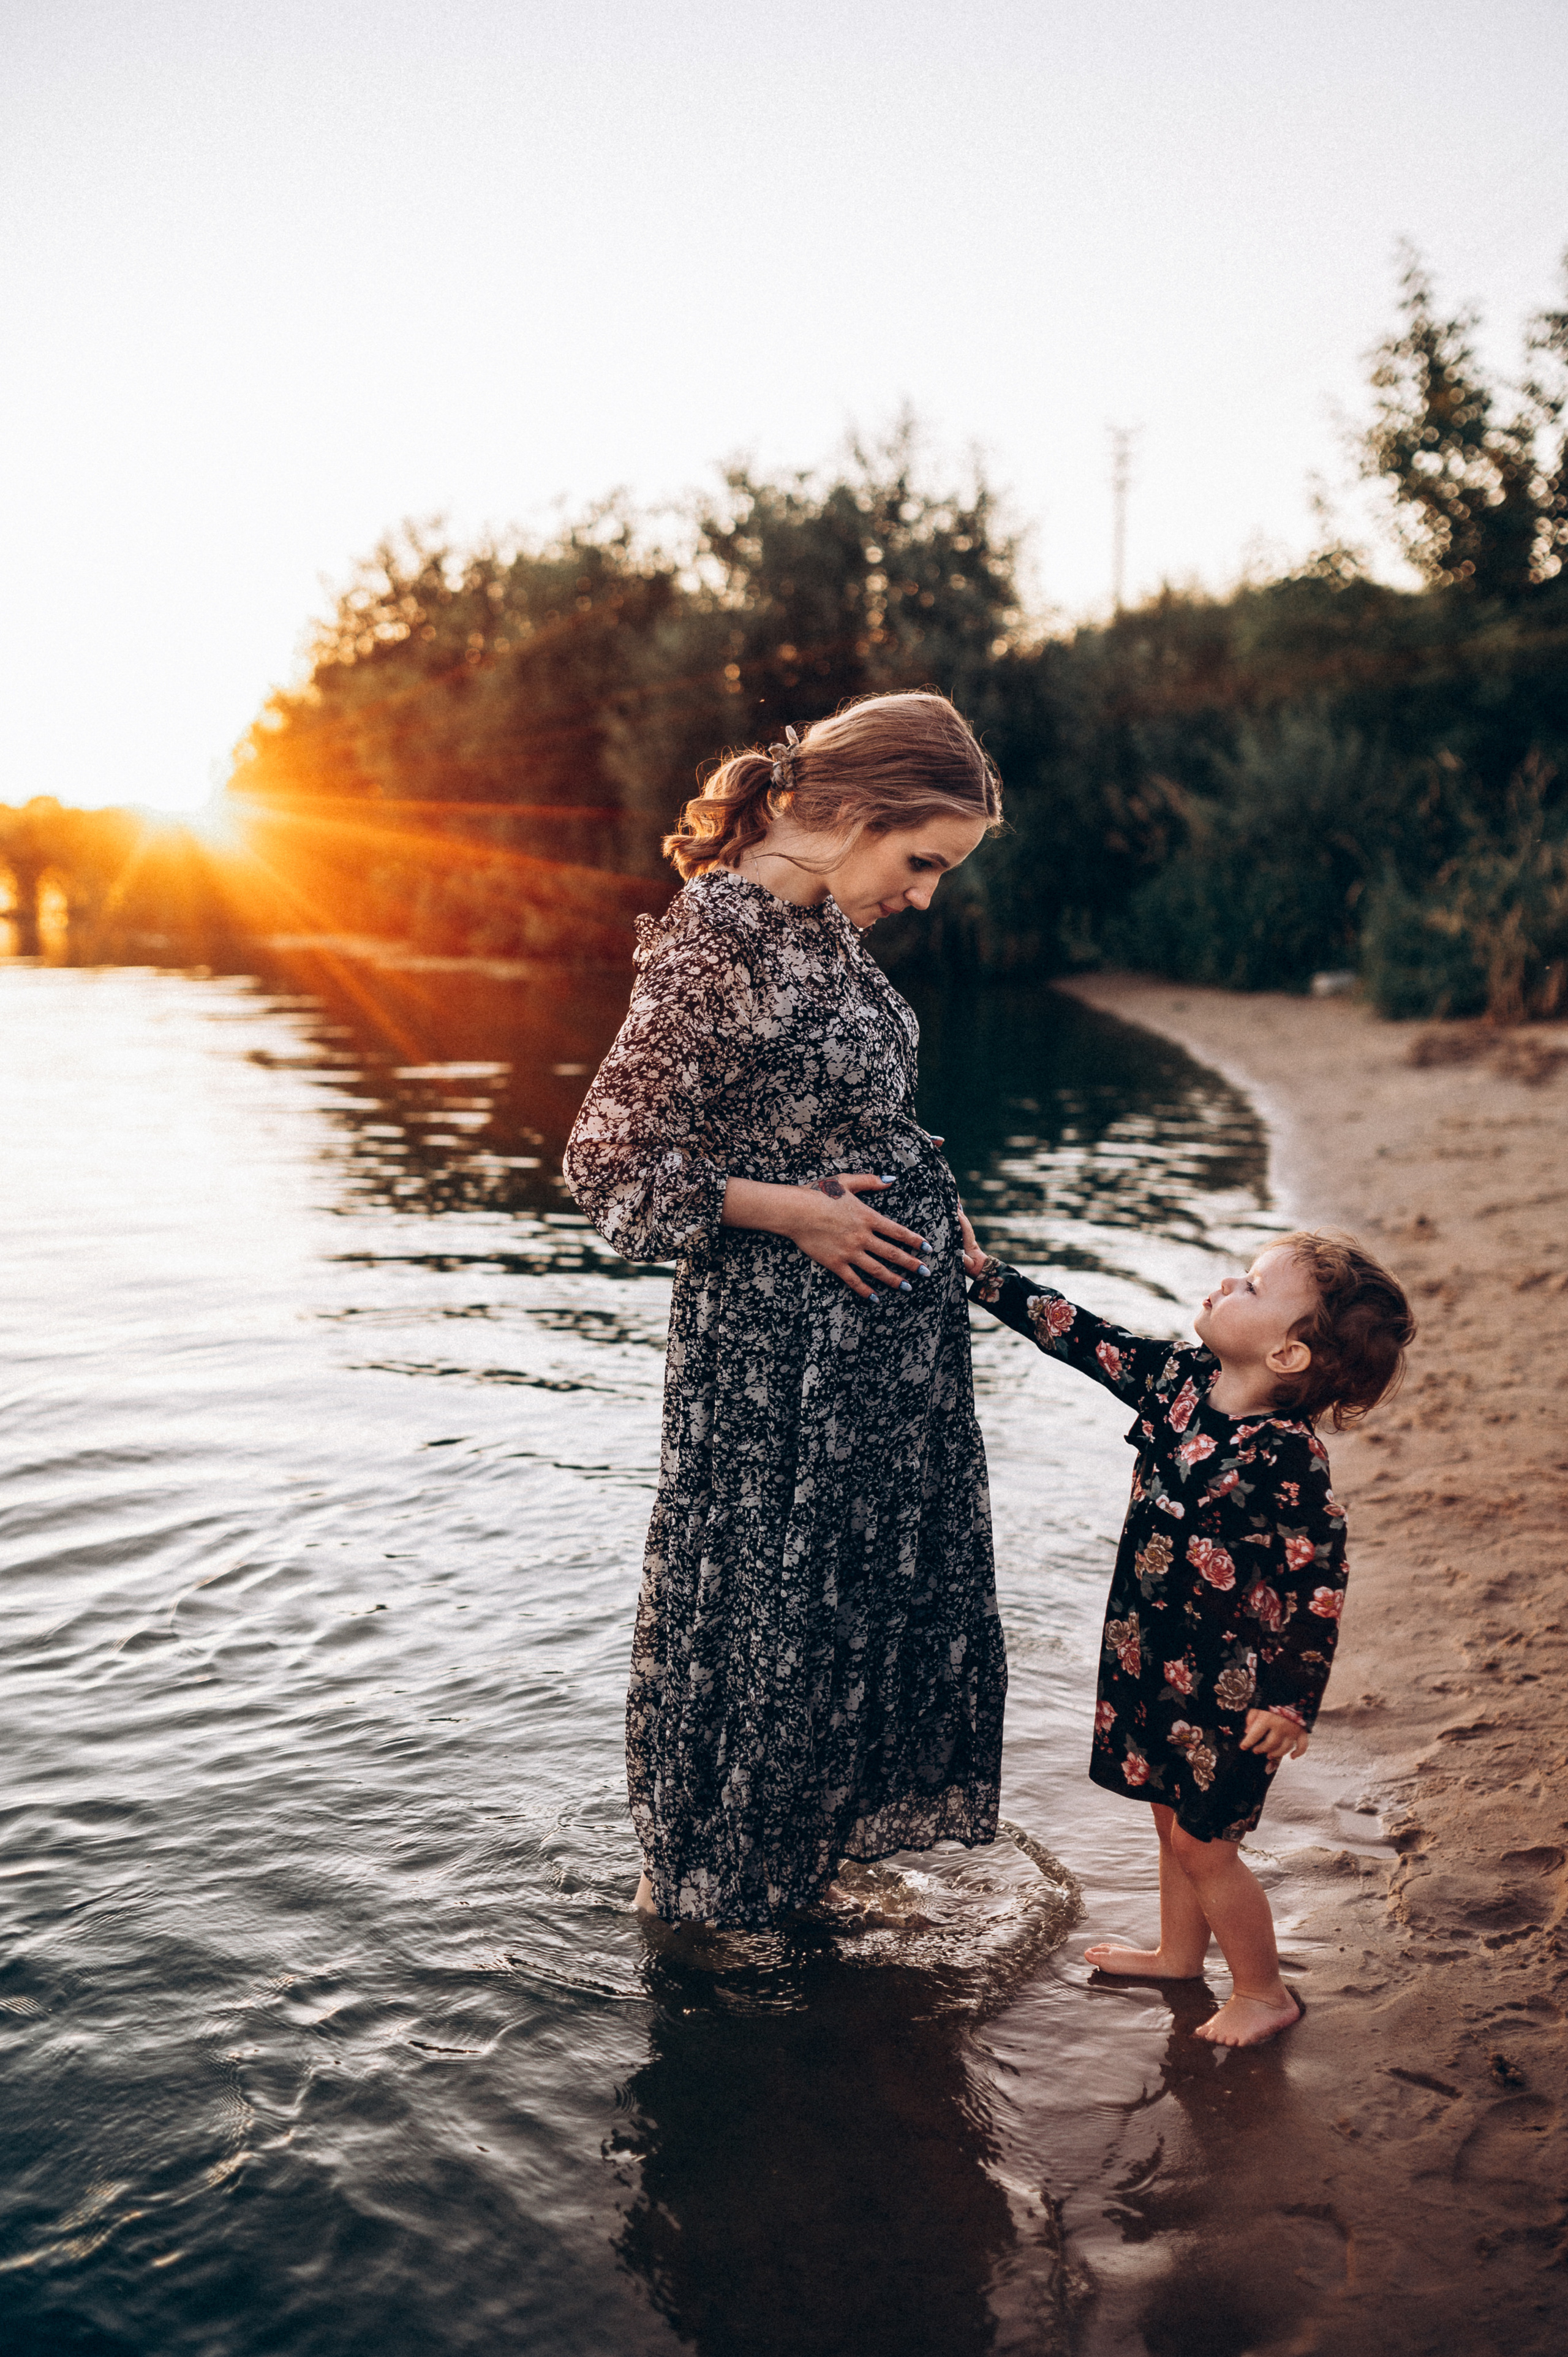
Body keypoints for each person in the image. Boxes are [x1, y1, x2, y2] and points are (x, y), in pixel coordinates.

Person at [564, 692, 1006, 1926]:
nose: (925, 896)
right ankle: (699, 1907)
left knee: (834, 1615)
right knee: (763, 1607)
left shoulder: (825, 927)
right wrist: (801, 1216)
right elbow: (607, 1162)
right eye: (922, 861)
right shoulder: (715, 933)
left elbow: (836, 1113)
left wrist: (940, 1203)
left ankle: (796, 1877)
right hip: (774, 1361)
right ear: (858, 815)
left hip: (872, 1362)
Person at [959, 1223, 1414, 2045]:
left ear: (1287, 1354)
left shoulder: (1289, 1459)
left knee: (1207, 1845)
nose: (1226, 1285)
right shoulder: (1180, 1379)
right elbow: (1086, 1338)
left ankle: (1264, 1992)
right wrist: (987, 1274)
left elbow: (1318, 1584)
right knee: (1172, 1818)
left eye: (1251, 1286)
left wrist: (1289, 1702)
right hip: (1152, 1658)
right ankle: (1178, 1955)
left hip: (1233, 1692)